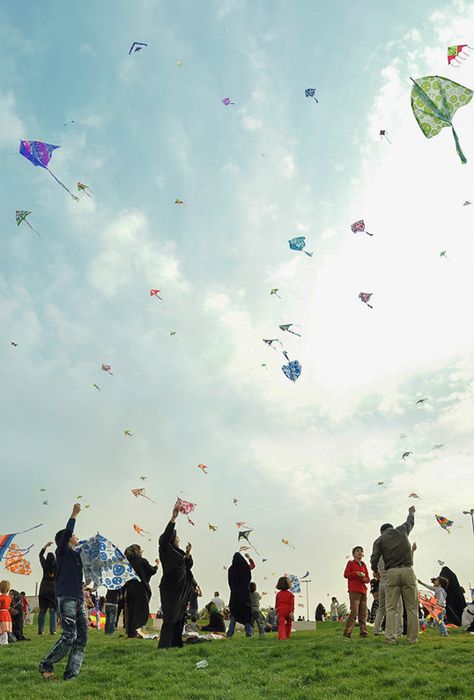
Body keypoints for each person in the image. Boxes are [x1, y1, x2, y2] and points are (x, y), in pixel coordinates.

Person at [39, 503, 87, 681]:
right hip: (66, 597)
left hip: (78, 598)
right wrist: (74, 514)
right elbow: (67, 532)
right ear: (66, 539)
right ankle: (46, 664)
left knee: (81, 638)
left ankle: (71, 674)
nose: (75, 535)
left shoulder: (76, 556)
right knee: (69, 636)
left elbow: (77, 576)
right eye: (73, 535)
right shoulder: (62, 552)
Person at [370, 506, 418, 645]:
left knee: (390, 608)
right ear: (392, 527)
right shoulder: (402, 530)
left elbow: (374, 557)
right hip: (408, 570)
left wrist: (375, 570)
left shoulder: (379, 540)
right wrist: (411, 512)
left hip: (391, 573)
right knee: (411, 608)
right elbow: (410, 522)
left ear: (381, 531)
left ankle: (390, 638)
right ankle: (412, 639)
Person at [158, 504, 197, 649]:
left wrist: (187, 553)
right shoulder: (165, 549)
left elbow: (188, 566)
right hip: (170, 589)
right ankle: (165, 645)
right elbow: (165, 536)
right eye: (177, 538)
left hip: (181, 590)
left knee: (180, 616)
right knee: (170, 616)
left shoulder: (179, 553)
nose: (179, 540)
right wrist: (173, 518)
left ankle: (176, 643)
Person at [124, 544, 159, 639]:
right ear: (137, 551)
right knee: (140, 611)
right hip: (141, 589)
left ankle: (130, 632)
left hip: (130, 589)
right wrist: (157, 565)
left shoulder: (127, 563)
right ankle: (137, 629)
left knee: (131, 611)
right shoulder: (142, 561)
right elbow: (151, 571)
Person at [372, 548, 403, 638]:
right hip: (392, 584)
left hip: (382, 584)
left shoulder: (379, 558)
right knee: (398, 608)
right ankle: (397, 631)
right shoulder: (393, 556)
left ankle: (376, 629)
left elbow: (375, 574)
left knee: (381, 608)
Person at [343, 546, 370, 638]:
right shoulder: (350, 563)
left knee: (363, 613)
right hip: (354, 590)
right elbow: (346, 575)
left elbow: (368, 579)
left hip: (363, 591)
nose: (359, 552)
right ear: (353, 554)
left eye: (361, 551)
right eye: (357, 551)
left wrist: (363, 578)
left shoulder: (364, 565)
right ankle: (347, 632)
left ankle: (363, 632)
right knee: (354, 612)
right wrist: (356, 573)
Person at [227, 552, 255, 637]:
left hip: (234, 595)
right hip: (244, 594)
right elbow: (252, 566)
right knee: (247, 614)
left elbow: (230, 582)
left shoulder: (231, 569)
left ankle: (230, 632)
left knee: (234, 614)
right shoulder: (245, 568)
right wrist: (249, 557)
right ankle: (249, 632)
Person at [38, 541, 58, 636]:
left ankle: (40, 631)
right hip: (53, 590)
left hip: (43, 590)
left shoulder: (44, 564)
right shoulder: (57, 565)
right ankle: (53, 630)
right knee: (53, 611)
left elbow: (40, 555)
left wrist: (46, 545)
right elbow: (60, 557)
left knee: (42, 610)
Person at [0, 581, 12, 645]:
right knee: (5, 629)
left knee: (1, 628)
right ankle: (5, 641)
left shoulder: (1, 597)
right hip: (7, 614)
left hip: (1, 613)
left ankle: (3, 641)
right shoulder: (9, 598)